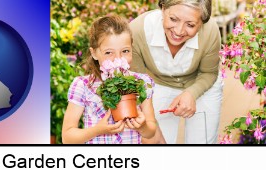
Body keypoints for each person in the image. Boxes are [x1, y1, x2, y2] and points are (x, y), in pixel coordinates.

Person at [130, 0, 223, 144]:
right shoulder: (137, 31)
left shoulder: (210, 31)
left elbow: (208, 73)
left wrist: (191, 93)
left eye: (190, 25)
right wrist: (150, 122)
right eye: (173, 19)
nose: (179, 31)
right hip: (155, 85)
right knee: (158, 140)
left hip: (202, 83)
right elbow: (138, 81)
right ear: (163, 9)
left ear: (201, 23)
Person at [62, 15, 164, 144]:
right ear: (94, 53)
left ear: (132, 49)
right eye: (109, 52)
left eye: (125, 51)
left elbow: (151, 131)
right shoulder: (83, 85)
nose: (118, 59)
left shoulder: (142, 82)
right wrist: (98, 130)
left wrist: (142, 126)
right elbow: (67, 138)